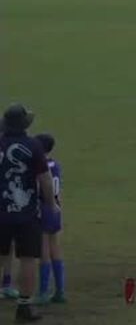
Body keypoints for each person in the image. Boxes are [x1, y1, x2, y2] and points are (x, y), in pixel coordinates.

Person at [0, 104, 58, 323]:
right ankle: (24, 306)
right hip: (25, 214)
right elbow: (44, 179)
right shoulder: (33, 146)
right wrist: (50, 205)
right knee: (27, 259)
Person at [33, 135, 62, 305]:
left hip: (43, 207)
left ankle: (43, 292)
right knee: (56, 249)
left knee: (43, 251)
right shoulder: (56, 165)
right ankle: (60, 290)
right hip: (56, 208)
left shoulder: (38, 166)